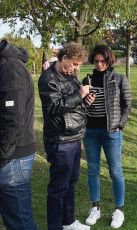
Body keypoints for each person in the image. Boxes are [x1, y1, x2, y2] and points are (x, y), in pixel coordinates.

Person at [38, 42, 92, 230]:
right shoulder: (48, 78)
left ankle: (68, 221)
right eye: (75, 64)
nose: (77, 68)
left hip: (75, 136)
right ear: (64, 58)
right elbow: (53, 107)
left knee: (71, 181)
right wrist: (79, 95)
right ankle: (55, 226)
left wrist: (85, 100)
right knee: (58, 187)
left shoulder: (70, 76)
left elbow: (75, 102)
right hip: (60, 140)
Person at [81, 45, 131, 228]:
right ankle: (95, 208)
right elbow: (81, 107)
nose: (99, 64)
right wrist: (85, 102)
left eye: (103, 60)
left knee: (115, 171)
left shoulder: (119, 79)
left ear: (109, 60)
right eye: (96, 61)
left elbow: (127, 105)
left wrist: (120, 124)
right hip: (90, 132)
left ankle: (119, 211)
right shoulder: (87, 79)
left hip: (111, 133)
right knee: (93, 170)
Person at [0, 40, 38, 230]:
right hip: (9, 156)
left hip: (12, 159)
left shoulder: (9, 67)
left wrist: (2, 153)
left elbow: (12, 118)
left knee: (20, 224)